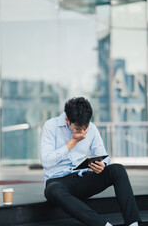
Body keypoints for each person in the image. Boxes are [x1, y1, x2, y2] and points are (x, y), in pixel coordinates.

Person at [41, 97, 141, 226]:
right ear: (67, 120)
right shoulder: (51, 126)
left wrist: (102, 165)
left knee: (117, 169)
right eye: (77, 129)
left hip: (81, 179)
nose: (83, 132)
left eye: (85, 128)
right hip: (57, 182)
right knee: (53, 190)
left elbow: (102, 155)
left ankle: (133, 224)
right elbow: (46, 161)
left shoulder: (92, 128)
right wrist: (73, 142)